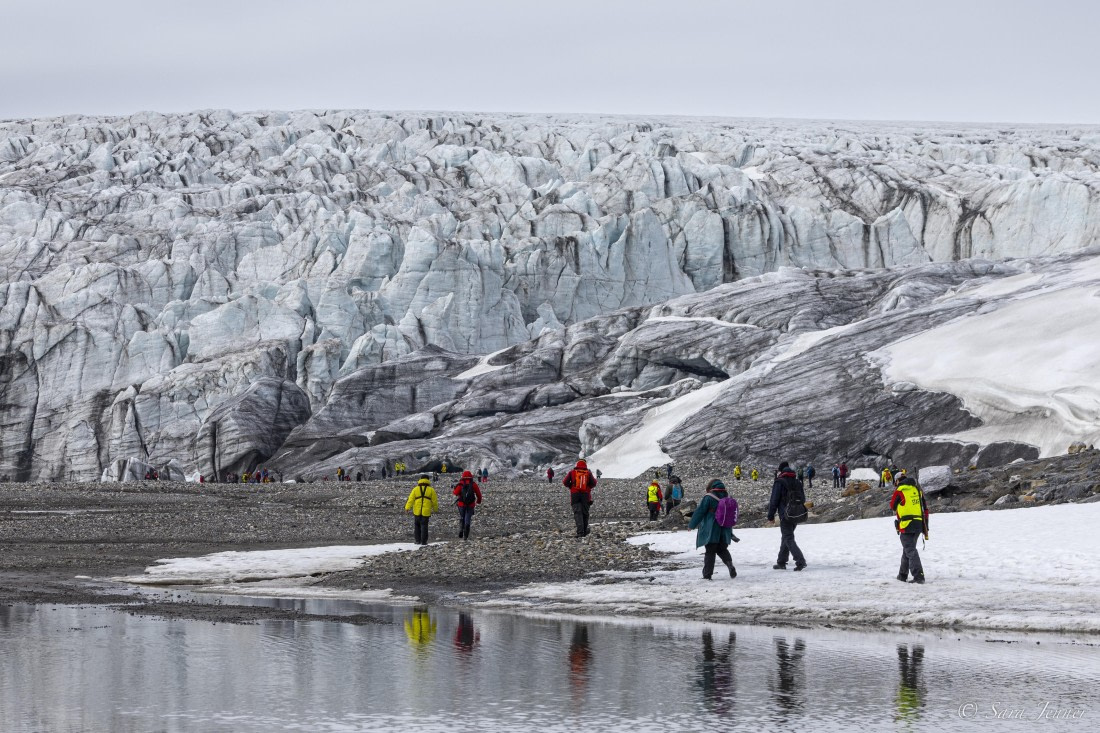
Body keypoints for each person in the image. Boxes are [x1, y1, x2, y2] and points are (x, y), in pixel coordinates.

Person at [688, 478, 737, 580]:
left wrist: (692, 525)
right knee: (722, 549)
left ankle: (707, 575)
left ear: (711, 487)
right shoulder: (727, 497)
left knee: (710, 551)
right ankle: (730, 565)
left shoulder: (709, 497)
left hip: (712, 529)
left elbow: (700, 511)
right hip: (725, 529)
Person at [767, 461, 807, 571]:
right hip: (796, 514)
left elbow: (774, 500)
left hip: (785, 514)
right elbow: (803, 499)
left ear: (781, 471)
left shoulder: (779, 482)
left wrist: (770, 516)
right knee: (786, 536)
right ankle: (781, 562)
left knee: (788, 537)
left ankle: (800, 561)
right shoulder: (797, 481)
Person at [890, 473, 929, 583]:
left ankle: (919, 576)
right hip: (919, 524)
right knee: (907, 549)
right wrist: (926, 526)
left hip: (906, 524)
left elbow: (892, 506)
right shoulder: (917, 490)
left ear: (897, 481)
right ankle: (902, 575)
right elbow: (925, 508)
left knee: (910, 550)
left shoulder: (900, 490)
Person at [562, 459, 596, 537]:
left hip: (575, 495)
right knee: (585, 513)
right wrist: (587, 487)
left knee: (577, 513)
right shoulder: (588, 473)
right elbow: (594, 483)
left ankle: (580, 532)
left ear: (577, 464)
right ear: (585, 464)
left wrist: (571, 486)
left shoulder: (572, 472)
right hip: (586, 495)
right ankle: (585, 531)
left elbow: (565, 482)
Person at [404, 474, 439, 545]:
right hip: (426, 511)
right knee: (424, 526)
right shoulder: (431, 490)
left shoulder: (415, 489)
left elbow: (411, 499)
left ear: (420, 479)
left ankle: (417, 540)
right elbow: (434, 501)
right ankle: (424, 541)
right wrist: (435, 509)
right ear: (428, 480)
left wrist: (407, 508)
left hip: (417, 510)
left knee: (417, 526)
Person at [452, 470, 483, 540]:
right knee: (467, 518)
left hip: (461, 504)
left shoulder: (460, 484)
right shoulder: (473, 484)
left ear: (463, 476)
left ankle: (461, 529)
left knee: (462, 517)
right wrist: (478, 501)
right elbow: (479, 494)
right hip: (470, 504)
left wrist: (455, 489)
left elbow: (455, 493)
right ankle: (465, 535)